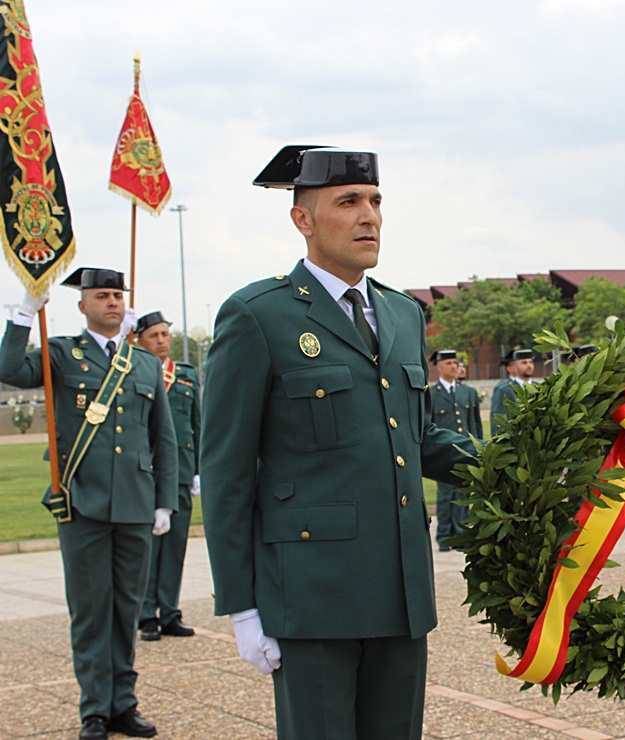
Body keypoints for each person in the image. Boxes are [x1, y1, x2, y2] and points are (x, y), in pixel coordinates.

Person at [201, 146, 478, 738]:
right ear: (303, 219)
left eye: (375, 201)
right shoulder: (258, 315)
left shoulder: (402, 314)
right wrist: (243, 605)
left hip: (400, 591)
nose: (369, 216)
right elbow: (226, 470)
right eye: (348, 202)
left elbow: (419, 435)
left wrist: (521, 464)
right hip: (311, 598)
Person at [0, 268, 177, 740]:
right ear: (83, 306)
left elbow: (164, 438)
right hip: (82, 503)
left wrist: (165, 502)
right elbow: (10, 371)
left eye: (118, 296)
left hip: (137, 506)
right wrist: (23, 314)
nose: (113, 303)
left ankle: (124, 704)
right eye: (102, 296)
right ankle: (95, 709)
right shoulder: (61, 353)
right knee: (91, 611)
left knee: (125, 610)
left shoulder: (142, 364)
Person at [132, 310, 201, 642]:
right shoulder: (132, 371)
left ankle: (169, 611)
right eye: (153, 335)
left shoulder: (186, 375)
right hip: (146, 473)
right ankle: (146, 615)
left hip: (182, 472)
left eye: (165, 335)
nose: (161, 341)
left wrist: (200, 469)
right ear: (139, 340)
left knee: (175, 547)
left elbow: (197, 425)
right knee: (148, 547)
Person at [427, 349, 483, 551]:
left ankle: (460, 533)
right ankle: (443, 536)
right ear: (439, 367)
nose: (454, 366)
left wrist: (478, 447)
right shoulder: (431, 394)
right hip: (443, 452)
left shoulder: (467, 392)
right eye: (449, 363)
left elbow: (474, 423)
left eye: (455, 363)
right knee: (445, 495)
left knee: (463, 495)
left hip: (465, 451)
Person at [489, 348, 533, 436]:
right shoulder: (504, 390)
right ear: (513, 367)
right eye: (524, 363)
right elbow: (499, 421)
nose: (529, 365)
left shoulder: (539, 387)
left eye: (530, 362)